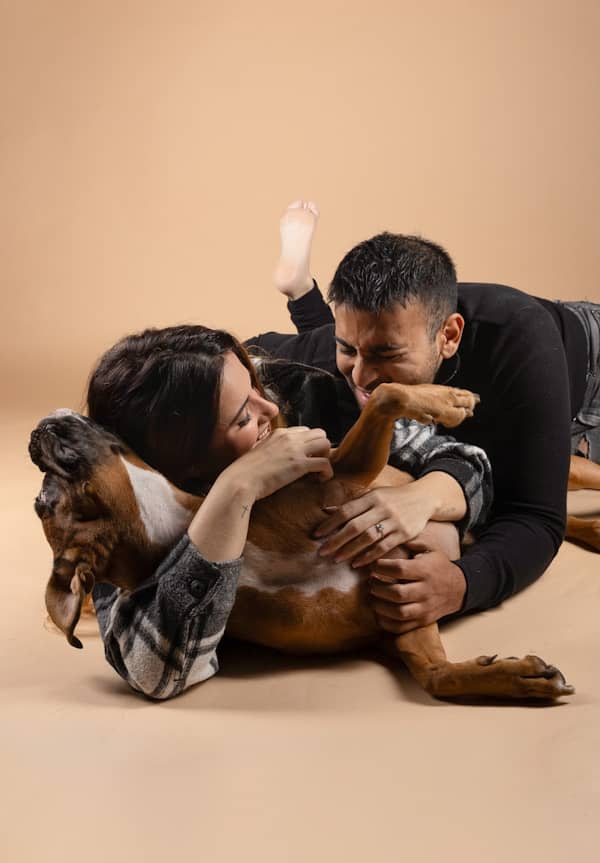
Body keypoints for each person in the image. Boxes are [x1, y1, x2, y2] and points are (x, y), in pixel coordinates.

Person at [87, 323, 492, 699]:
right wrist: (237, 487)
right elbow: (152, 670)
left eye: (255, 388)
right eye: (243, 417)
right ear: (188, 465)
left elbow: (465, 457)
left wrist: (426, 501)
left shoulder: (292, 388)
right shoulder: (137, 531)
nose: (268, 409)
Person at [247, 200, 596, 633]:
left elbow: (537, 517)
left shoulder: (519, 336)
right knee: (329, 380)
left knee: (515, 478)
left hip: (584, 377)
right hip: (449, 390)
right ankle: (302, 291)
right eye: (347, 349)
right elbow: (254, 355)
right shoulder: (361, 339)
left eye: (385, 354)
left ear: (449, 336)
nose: (362, 373)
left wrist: (463, 584)